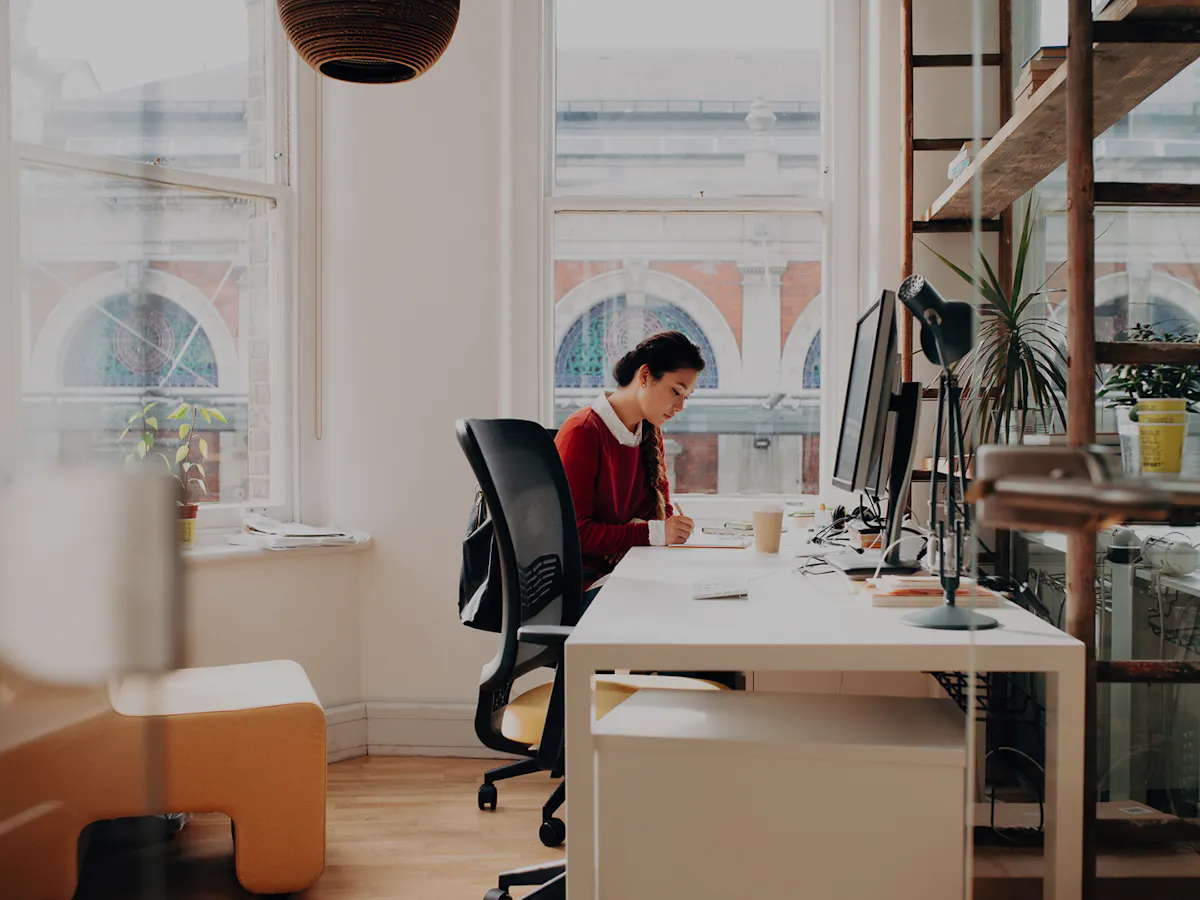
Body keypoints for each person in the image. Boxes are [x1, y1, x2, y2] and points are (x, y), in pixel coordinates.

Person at [555, 330, 703, 600]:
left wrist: (636, 536)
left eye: (687, 397)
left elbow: (660, 516)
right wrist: (646, 534)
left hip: (629, 571)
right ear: (645, 376)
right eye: (676, 392)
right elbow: (575, 534)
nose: (680, 406)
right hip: (587, 586)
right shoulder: (583, 430)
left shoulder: (650, 431)